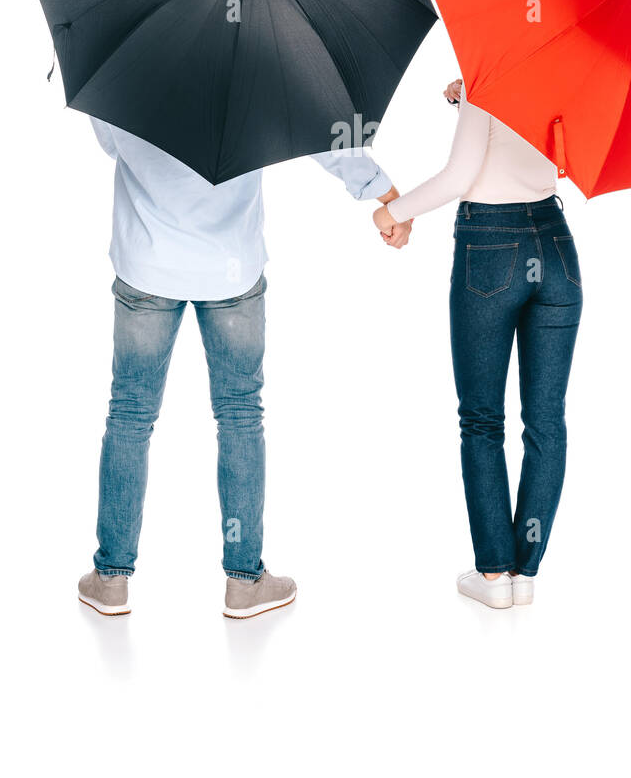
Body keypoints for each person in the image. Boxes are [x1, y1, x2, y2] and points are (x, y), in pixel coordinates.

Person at [78, 121, 410, 620]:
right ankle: (244, 579)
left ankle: (110, 580)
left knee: (129, 415)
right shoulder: (257, 60)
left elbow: (111, 142)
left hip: (147, 264)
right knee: (238, 417)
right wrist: (384, 191)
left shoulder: (132, 59)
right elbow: (322, 130)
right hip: (230, 268)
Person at [373, 78, 582, 610]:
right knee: (546, 420)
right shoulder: (571, 71)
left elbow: (460, 175)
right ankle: (525, 572)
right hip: (555, 245)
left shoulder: (492, 72)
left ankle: (493, 574)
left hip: (491, 247)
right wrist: (465, 99)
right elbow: (544, 155)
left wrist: (394, 212)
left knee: (482, 419)